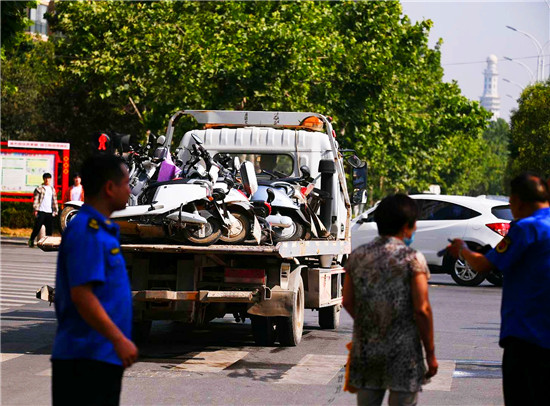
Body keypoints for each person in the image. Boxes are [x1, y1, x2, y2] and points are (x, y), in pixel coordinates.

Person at [448, 173, 550, 406]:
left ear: (518, 201)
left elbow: (484, 265)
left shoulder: (526, 228)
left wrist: (462, 249)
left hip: (527, 336)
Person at [51, 155, 138, 406]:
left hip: (100, 356)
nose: (130, 190)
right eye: (126, 183)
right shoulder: (87, 231)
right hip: (86, 358)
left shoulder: (101, 229)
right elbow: (82, 295)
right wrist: (119, 339)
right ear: (109, 188)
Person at [343, 194, 438, 406]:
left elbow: (347, 301)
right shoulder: (412, 259)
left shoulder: (357, 256)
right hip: (404, 353)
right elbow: (422, 309)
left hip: (367, 351)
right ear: (406, 227)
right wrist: (430, 355)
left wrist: (372, 322)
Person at [29, 172, 59, 247]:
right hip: (41, 210)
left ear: (50, 179)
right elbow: (36, 199)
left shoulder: (52, 189)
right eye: (46, 178)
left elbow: (54, 200)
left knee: (49, 228)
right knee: (37, 227)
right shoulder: (39, 188)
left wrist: (56, 210)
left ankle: (48, 243)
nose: (47, 180)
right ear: (43, 179)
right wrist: (35, 209)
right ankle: (31, 240)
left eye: (48, 178)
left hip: (49, 211)